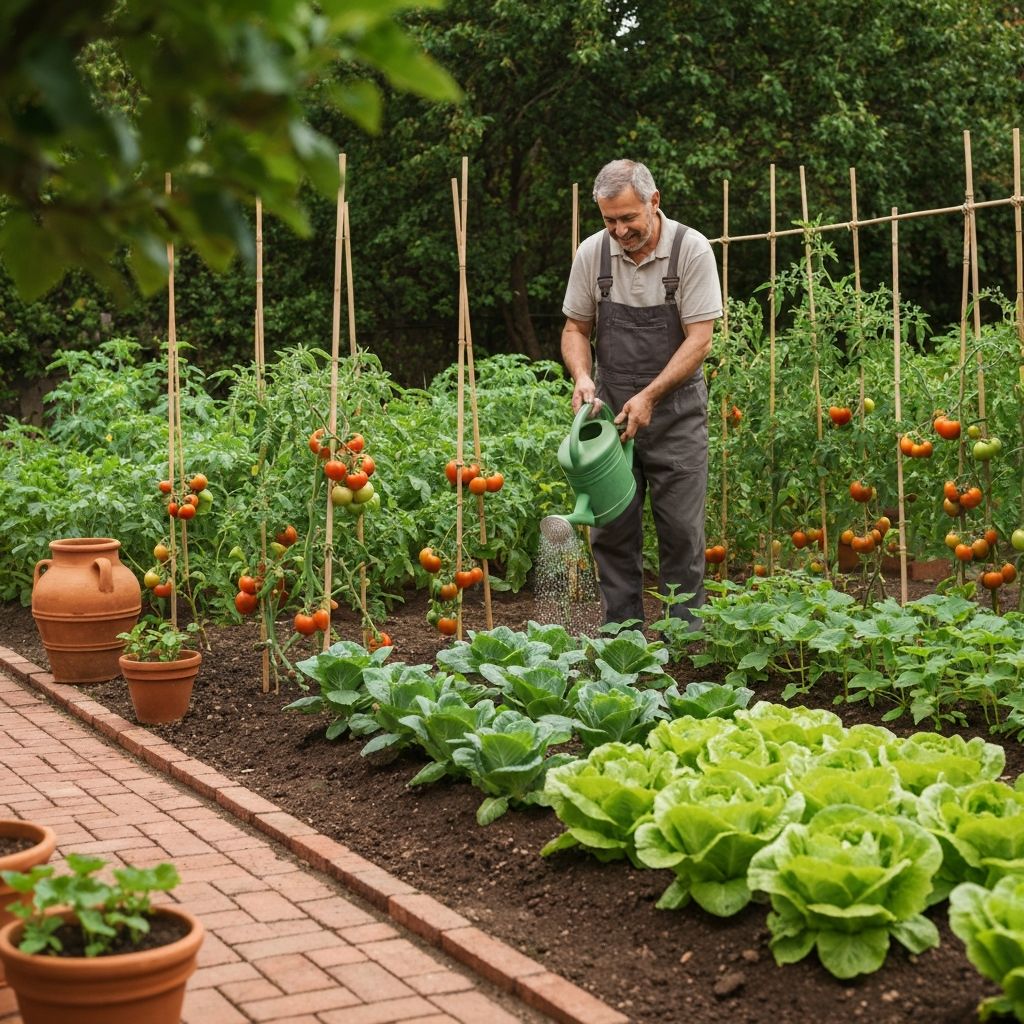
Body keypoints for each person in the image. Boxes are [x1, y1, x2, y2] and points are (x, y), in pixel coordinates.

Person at [560, 159, 722, 628]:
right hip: (613, 418)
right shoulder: (593, 253)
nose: (619, 229)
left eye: (628, 218)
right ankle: (622, 640)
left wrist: (650, 395)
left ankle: (684, 646)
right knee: (611, 529)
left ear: (654, 201)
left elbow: (700, 340)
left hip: (677, 414)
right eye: (610, 220)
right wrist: (583, 377)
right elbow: (575, 327)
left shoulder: (690, 251)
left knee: (681, 533)